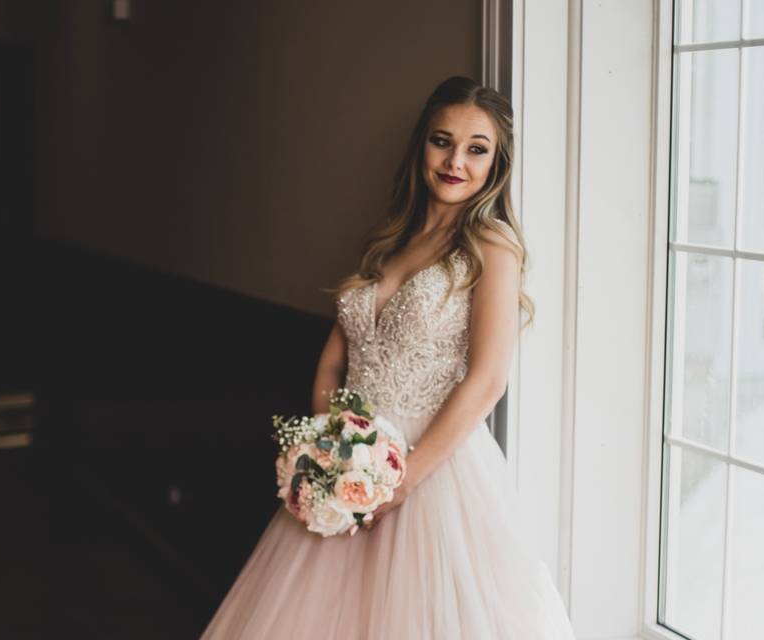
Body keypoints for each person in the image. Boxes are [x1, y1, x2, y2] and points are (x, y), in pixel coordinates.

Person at [198, 76, 576, 639]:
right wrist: (333, 450)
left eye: (477, 149)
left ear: (496, 164)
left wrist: (401, 482)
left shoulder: (492, 246)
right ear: (421, 144)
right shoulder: (391, 239)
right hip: (352, 461)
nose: (456, 161)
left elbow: (488, 379)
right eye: (442, 141)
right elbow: (334, 360)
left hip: (435, 473)